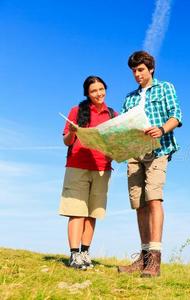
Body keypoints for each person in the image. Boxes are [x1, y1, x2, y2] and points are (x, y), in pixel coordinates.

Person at [117, 51, 182, 277]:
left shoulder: (165, 88)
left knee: (154, 198)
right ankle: (143, 259)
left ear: (151, 69)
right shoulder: (130, 98)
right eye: (134, 71)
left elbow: (176, 115)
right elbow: (123, 125)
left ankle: (155, 261)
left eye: (141, 70)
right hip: (134, 153)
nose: (137, 74)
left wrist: (162, 129)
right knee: (140, 204)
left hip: (158, 149)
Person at [59, 76, 117, 270]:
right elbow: (67, 141)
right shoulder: (77, 111)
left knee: (92, 213)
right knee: (76, 211)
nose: (98, 93)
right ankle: (74, 254)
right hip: (77, 166)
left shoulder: (112, 114)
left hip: (102, 168)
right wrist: (74, 132)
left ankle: (85, 253)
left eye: (101, 89)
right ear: (87, 93)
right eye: (93, 91)